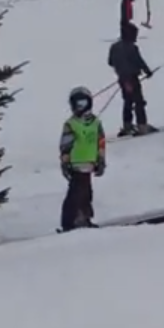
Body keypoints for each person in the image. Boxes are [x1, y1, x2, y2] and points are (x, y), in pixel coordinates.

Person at [58, 86, 106, 231]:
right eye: (77, 104)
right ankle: (71, 221)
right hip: (75, 164)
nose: (80, 107)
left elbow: (101, 143)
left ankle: (84, 217)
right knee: (75, 193)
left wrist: (101, 160)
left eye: (83, 103)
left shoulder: (96, 123)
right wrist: (65, 162)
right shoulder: (71, 124)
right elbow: (65, 145)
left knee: (86, 193)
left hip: (89, 163)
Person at [107, 22, 155, 137]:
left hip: (122, 80)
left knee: (128, 101)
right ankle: (142, 126)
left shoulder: (114, 47)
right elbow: (139, 61)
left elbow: (110, 62)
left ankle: (127, 126)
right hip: (132, 79)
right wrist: (147, 71)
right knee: (139, 102)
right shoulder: (132, 48)